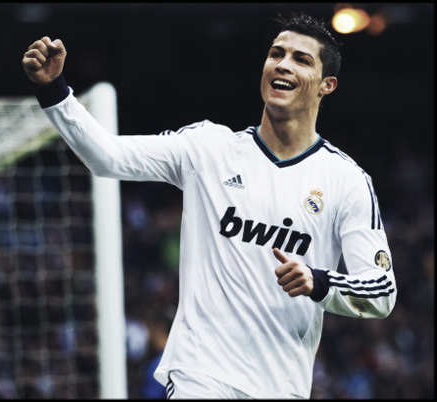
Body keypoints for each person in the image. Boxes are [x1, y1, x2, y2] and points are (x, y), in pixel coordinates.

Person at [22, 11, 397, 399]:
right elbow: (108, 156)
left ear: (326, 85)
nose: (282, 64)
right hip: (200, 376)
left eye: (301, 59)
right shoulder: (208, 148)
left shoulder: (347, 181)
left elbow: (381, 292)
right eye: (276, 54)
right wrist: (55, 91)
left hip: (281, 386)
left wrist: (319, 281)